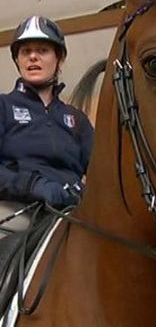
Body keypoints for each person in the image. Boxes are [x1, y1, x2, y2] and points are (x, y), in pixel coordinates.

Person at [0, 15, 94, 236]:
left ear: (59, 59)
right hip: (17, 209)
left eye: (42, 50)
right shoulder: (3, 106)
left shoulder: (77, 119)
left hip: (73, 211)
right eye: (26, 51)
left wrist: (82, 192)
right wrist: (33, 185)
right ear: (18, 60)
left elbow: (104, 171)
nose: (33, 57)